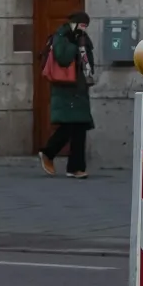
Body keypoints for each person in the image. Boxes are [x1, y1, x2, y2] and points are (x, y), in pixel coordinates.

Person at [38, 11, 97, 180]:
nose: (83, 28)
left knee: (80, 127)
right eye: (81, 24)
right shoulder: (61, 36)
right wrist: (74, 43)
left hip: (79, 88)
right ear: (74, 23)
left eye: (86, 25)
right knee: (69, 126)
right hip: (65, 89)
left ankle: (76, 167)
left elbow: (87, 60)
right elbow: (63, 58)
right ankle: (48, 152)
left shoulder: (82, 37)